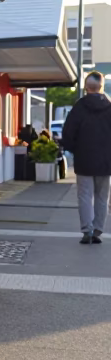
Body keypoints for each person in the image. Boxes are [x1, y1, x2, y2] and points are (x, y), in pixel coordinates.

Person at [61, 72, 111, 243]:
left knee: (85, 196)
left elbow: (68, 133)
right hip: (106, 162)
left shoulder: (79, 107)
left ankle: (87, 231)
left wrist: (74, 149)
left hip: (84, 160)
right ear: (101, 86)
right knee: (102, 197)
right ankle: (98, 230)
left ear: (86, 87)